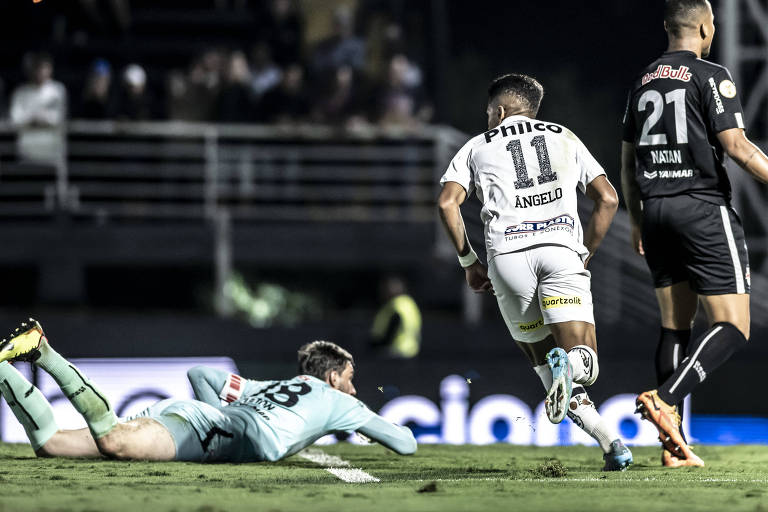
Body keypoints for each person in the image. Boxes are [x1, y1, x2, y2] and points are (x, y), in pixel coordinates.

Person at [438, 74, 631, 471]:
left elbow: (446, 203)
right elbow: (608, 198)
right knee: (584, 361)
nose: (488, 118)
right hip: (560, 251)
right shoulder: (564, 136)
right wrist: (585, 253)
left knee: (547, 368)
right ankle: (573, 369)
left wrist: (468, 262)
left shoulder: (476, 145)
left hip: (506, 261)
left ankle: (612, 444)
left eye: (489, 113)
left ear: (500, 110)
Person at [621, 0, 768, 468]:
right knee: (733, 326)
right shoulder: (711, 74)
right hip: (701, 207)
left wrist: (637, 219)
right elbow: (738, 147)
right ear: (705, 28)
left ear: (667, 27)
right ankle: (666, 399)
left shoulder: (642, 79)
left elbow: (627, 160)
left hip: (656, 210)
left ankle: (674, 449)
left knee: (674, 327)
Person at [0, 319, 416, 462]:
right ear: (332, 379)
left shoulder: (270, 386)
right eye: (350, 378)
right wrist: (209, 430)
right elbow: (405, 444)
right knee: (112, 441)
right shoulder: (342, 404)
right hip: (205, 430)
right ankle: (43, 349)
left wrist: (209, 417)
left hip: (196, 419)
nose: (354, 387)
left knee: (51, 445)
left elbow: (204, 374)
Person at [9, 52, 67, 165]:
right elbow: (15, 119)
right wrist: (33, 119)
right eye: (37, 67)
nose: (40, 71)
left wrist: (42, 119)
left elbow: (59, 117)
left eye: (44, 67)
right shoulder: (20, 93)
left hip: (51, 155)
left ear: (50, 69)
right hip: (26, 154)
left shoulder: (58, 90)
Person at [370, 276, 422, 359]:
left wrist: (375, 346)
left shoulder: (396, 305)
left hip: (394, 354)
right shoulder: (410, 303)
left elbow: (391, 332)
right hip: (410, 352)